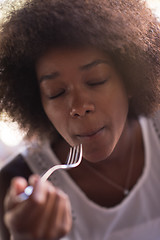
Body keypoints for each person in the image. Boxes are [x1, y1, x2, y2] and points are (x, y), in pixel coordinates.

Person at [0, 0, 160, 239]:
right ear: (39, 103)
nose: (79, 107)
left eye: (96, 80)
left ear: (128, 80)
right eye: (56, 92)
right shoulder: (17, 184)